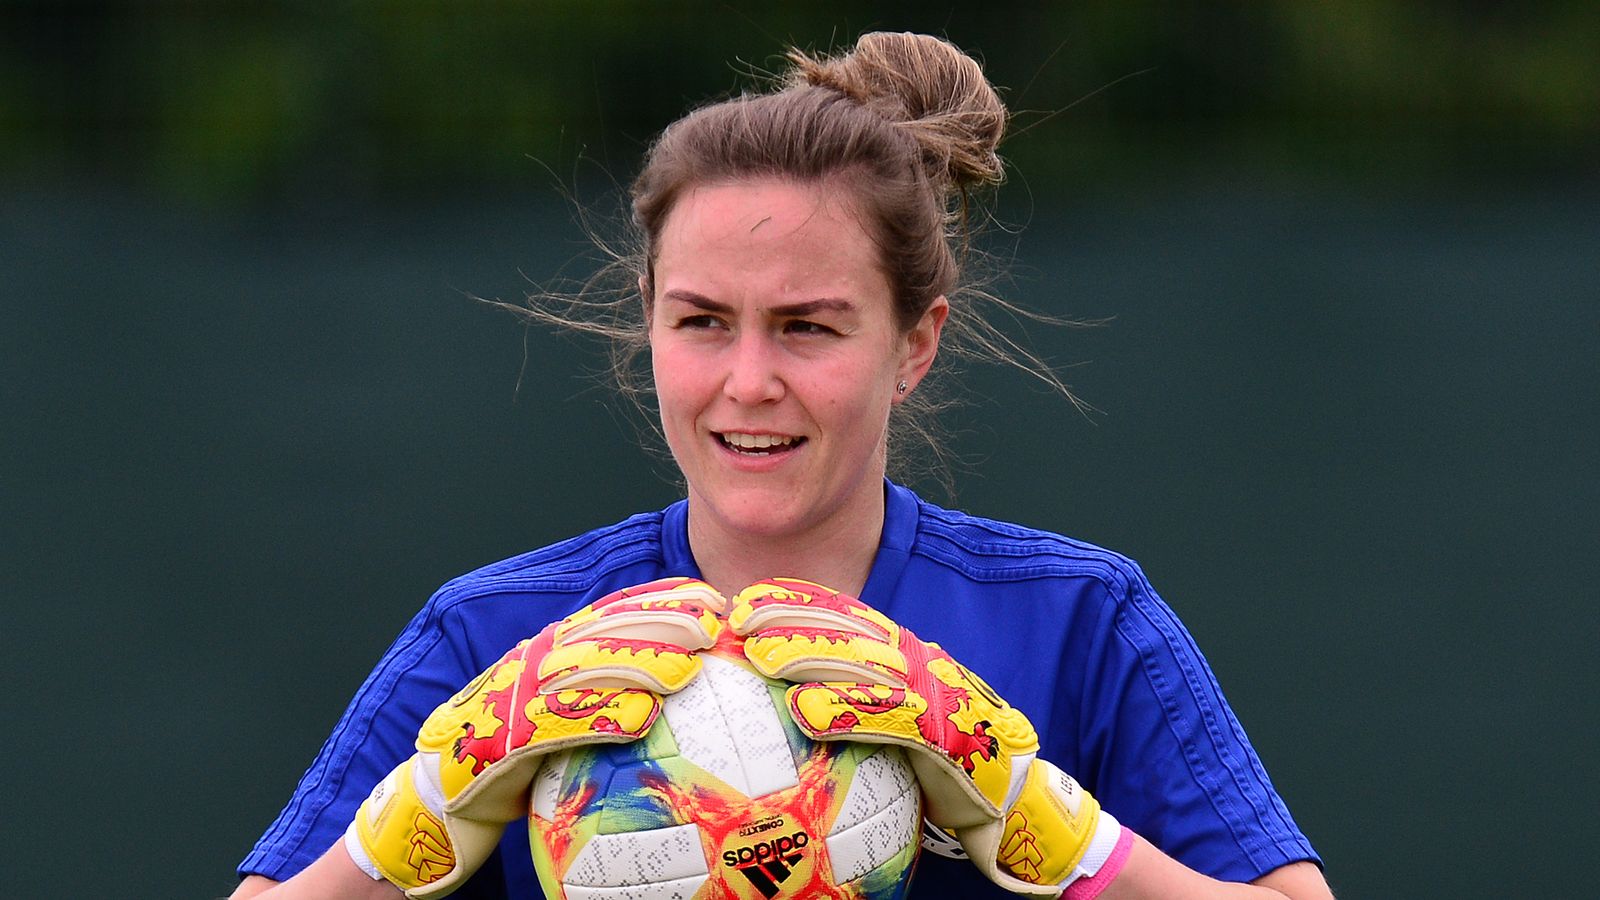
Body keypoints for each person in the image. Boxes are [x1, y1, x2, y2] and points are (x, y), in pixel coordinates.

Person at [233, 32, 1332, 900]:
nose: (749, 380)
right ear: (648, 323)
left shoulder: (1077, 623)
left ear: (914, 343)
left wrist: (1050, 826)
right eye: (702, 321)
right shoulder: (495, 638)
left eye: (808, 326)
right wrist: (421, 813)